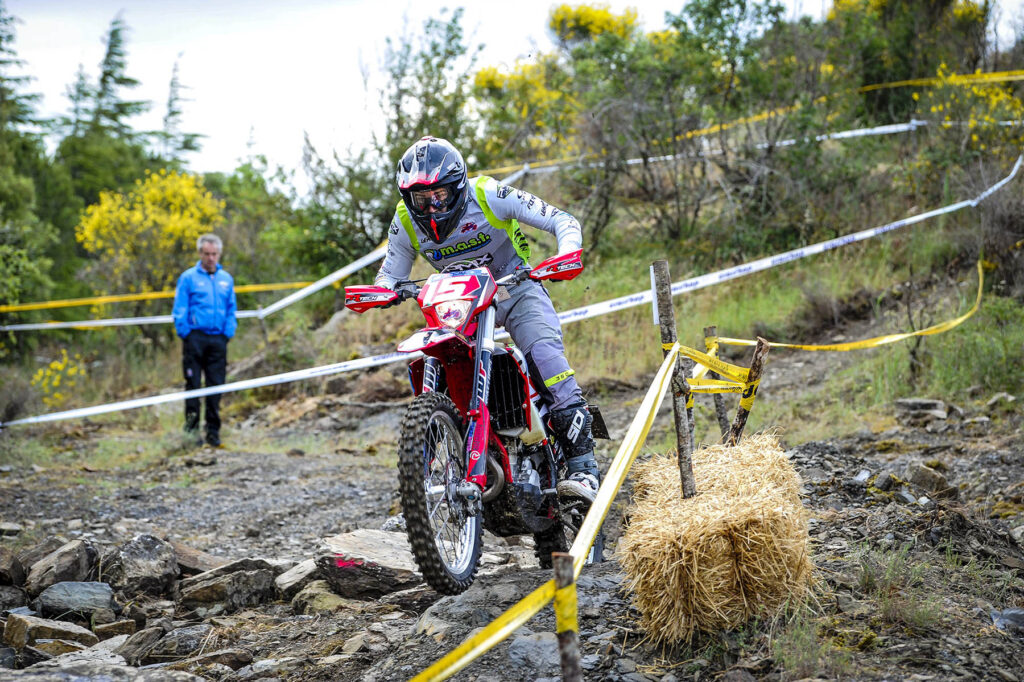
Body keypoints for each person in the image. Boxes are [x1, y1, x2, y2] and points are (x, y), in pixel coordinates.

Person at [375, 135, 600, 502]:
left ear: (458, 185)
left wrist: (568, 252)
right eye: (420, 199)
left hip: (514, 286)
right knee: (437, 358)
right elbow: (390, 273)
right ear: (407, 198)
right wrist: (385, 290)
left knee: (545, 356)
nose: (431, 207)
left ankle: (583, 468)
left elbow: (561, 219)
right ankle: (422, 494)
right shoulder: (404, 221)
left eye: (440, 196)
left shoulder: (489, 194)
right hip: (457, 301)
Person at [172, 233, 237, 447]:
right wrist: (186, 334)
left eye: (214, 254)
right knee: (193, 385)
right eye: (207, 254)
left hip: (218, 339)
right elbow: (180, 308)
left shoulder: (226, 279)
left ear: (219, 254)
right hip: (195, 339)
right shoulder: (188, 278)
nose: (211, 258)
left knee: (215, 386)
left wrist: (228, 332)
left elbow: (231, 308)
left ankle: (213, 432)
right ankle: (191, 433)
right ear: (200, 253)